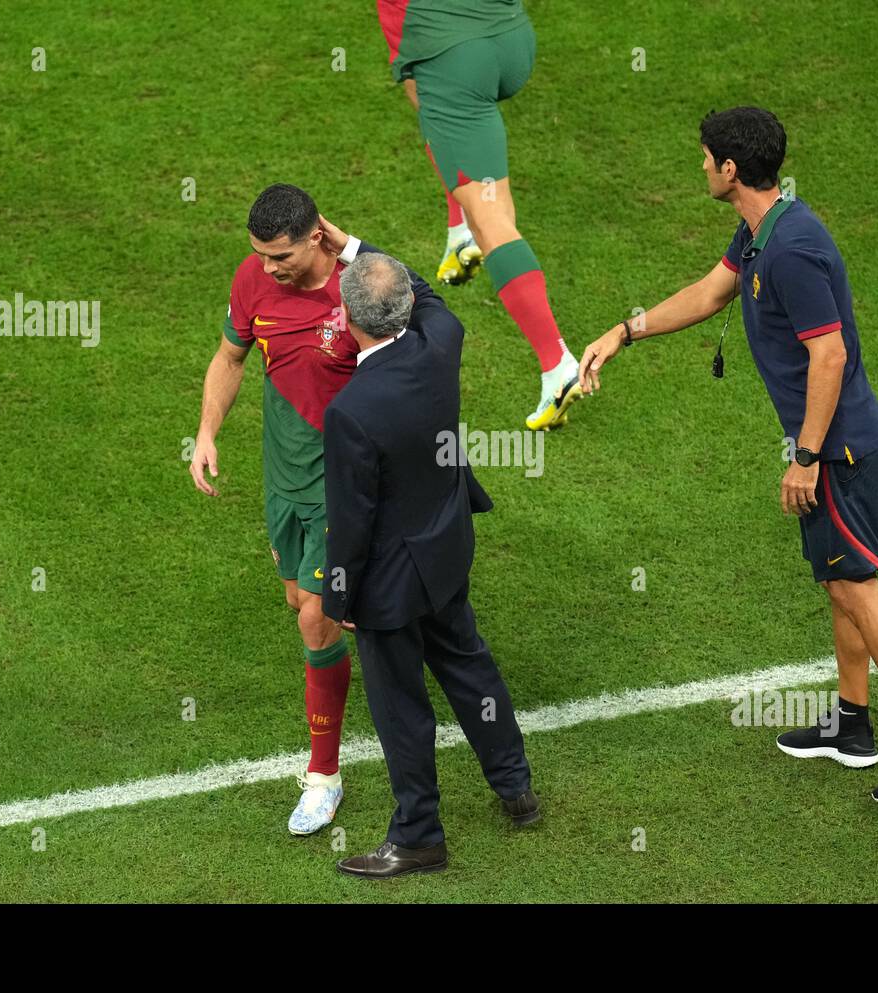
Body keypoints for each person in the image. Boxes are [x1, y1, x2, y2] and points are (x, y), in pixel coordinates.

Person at [577, 107, 878, 803]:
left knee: (856, 583)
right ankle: (852, 723)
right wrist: (623, 332)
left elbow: (830, 354)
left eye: (705, 158)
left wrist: (809, 456)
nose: (699, 166)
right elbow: (709, 292)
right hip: (832, 442)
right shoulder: (764, 227)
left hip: (839, 447)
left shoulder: (789, 248)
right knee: (836, 577)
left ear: (731, 169)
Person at [322, 251, 539, 878]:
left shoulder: (352, 410)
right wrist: (357, 247)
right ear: (408, 308)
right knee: (469, 668)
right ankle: (514, 785)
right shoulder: (439, 344)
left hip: (389, 584)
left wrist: (339, 600)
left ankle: (418, 835)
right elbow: (430, 297)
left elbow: (352, 524)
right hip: (444, 552)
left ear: (346, 315)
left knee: (402, 709)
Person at [188, 184, 365, 835]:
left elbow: (413, 372)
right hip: (284, 482)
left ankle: (323, 776)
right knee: (302, 601)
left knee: (315, 621)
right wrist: (207, 431)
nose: (268, 268)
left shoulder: (359, 288)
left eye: (280, 255)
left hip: (344, 488)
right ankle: (378, 609)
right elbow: (230, 356)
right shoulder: (252, 280)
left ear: (318, 236)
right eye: (259, 255)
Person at [375, 0, 583, 431]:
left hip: (453, 57)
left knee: (494, 222)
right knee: (431, 105)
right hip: (510, 40)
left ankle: (557, 364)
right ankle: (460, 229)